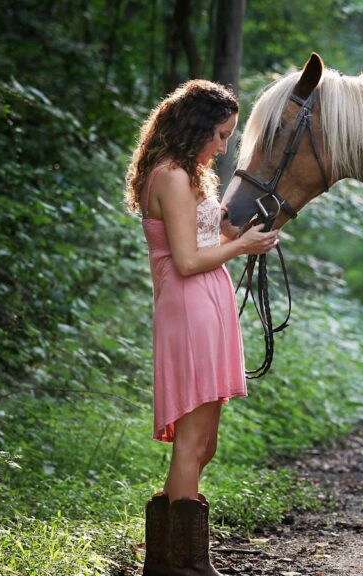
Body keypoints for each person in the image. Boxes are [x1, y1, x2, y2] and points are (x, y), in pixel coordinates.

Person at [124, 80, 278, 576]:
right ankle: (188, 565)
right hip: (190, 304)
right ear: (195, 130)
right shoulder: (168, 176)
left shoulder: (191, 175)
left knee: (204, 443)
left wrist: (244, 233)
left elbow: (208, 232)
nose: (223, 146)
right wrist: (241, 249)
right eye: (220, 134)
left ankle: (165, 560)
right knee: (192, 442)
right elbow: (187, 260)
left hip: (208, 303)